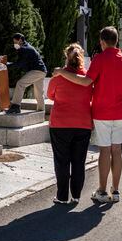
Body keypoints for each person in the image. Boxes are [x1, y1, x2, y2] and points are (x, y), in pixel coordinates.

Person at [53, 26, 122, 203]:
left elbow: (85, 82)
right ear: (117, 40)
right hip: (121, 113)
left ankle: (102, 191)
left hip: (102, 112)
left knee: (105, 150)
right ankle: (117, 190)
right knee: (117, 150)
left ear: (102, 42)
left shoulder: (99, 59)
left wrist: (61, 72)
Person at [47, 43, 93, 204]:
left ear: (67, 57)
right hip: (83, 123)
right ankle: (76, 195)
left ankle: (62, 196)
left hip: (60, 123)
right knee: (79, 161)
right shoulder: (87, 78)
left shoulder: (58, 77)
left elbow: (50, 95)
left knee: (62, 161)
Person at [0, 33, 47, 114]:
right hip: (42, 71)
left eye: (15, 41)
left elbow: (20, 63)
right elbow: (20, 62)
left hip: (36, 71)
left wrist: (5, 66)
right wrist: (6, 64)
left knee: (20, 84)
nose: (14, 44)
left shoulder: (25, 49)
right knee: (39, 93)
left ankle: (15, 106)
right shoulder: (25, 47)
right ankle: (41, 111)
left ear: (20, 40)